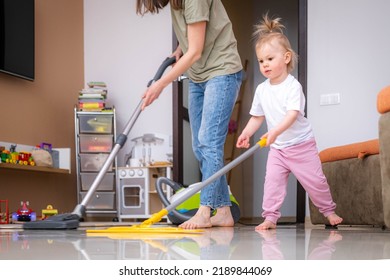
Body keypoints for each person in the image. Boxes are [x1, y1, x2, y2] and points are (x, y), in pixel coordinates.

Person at [136, 0, 243, 229]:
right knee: (199, 145)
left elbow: (195, 51)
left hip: (221, 71)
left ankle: (205, 211)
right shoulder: (178, 2)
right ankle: (224, 211)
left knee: (209, 142)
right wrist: (179, 49)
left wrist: (160, 85)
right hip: (198, 76)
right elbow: (192, 38)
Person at [236, 14, 342, 230]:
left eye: (270, 59)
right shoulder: (261, 89)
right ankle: (270, 218)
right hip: (278, 149)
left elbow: (292, 114)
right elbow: (257, 116)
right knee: (272, 184)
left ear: (285, 58)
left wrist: (274, 131)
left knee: (315, 182)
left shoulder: (292, 86)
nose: (264, 65)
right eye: (261, 61)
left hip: (301, 144)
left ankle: (329, 211)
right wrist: (247, 132)